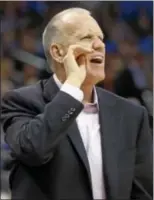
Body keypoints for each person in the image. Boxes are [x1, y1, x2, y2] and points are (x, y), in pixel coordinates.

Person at [1, 8, 152, 200]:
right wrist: (73, 88)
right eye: (87, 37)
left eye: (101, 37)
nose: (99, 45)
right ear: (58, 52)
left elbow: (142, 193)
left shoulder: (131, 115)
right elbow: (35, 150)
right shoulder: (20, 102)